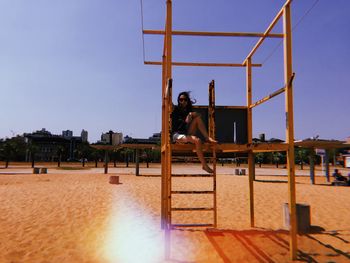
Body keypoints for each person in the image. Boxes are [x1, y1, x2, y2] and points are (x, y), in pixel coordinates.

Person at [171, 91, 217, 173]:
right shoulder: (175, 109)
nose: (183, 101)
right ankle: (204, 165)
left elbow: (199, 116)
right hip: (177, 135)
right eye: (180, 99)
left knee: (197, 119)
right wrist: (168, 85)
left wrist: (191, 114)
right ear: (178, 100)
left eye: (185, 100)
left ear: (187, 101)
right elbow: (166, 100)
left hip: (185, 134)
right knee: (197, 140)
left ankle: (207, 138)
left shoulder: (188, 111)